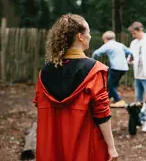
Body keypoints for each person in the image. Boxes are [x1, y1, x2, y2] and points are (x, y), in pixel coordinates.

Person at [33, 14, 118, 161]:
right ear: (80, 36)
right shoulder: (94, 71)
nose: (90, 36)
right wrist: (111, 146)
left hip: (51, 149)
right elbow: (102, 114)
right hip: (84, 150)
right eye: (88, 32)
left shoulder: (44, 72)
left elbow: (40, 107)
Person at [92, 31, 133, 108]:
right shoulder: (120, 45)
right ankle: (109, 98)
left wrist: (92, 62)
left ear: (105, 39)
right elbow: (130, 52)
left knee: (109, 84)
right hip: (124, 68)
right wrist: (131, 58)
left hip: (116, 67)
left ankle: (119, 100)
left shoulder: (107, 45)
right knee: (113, 83)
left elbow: (96, 53)